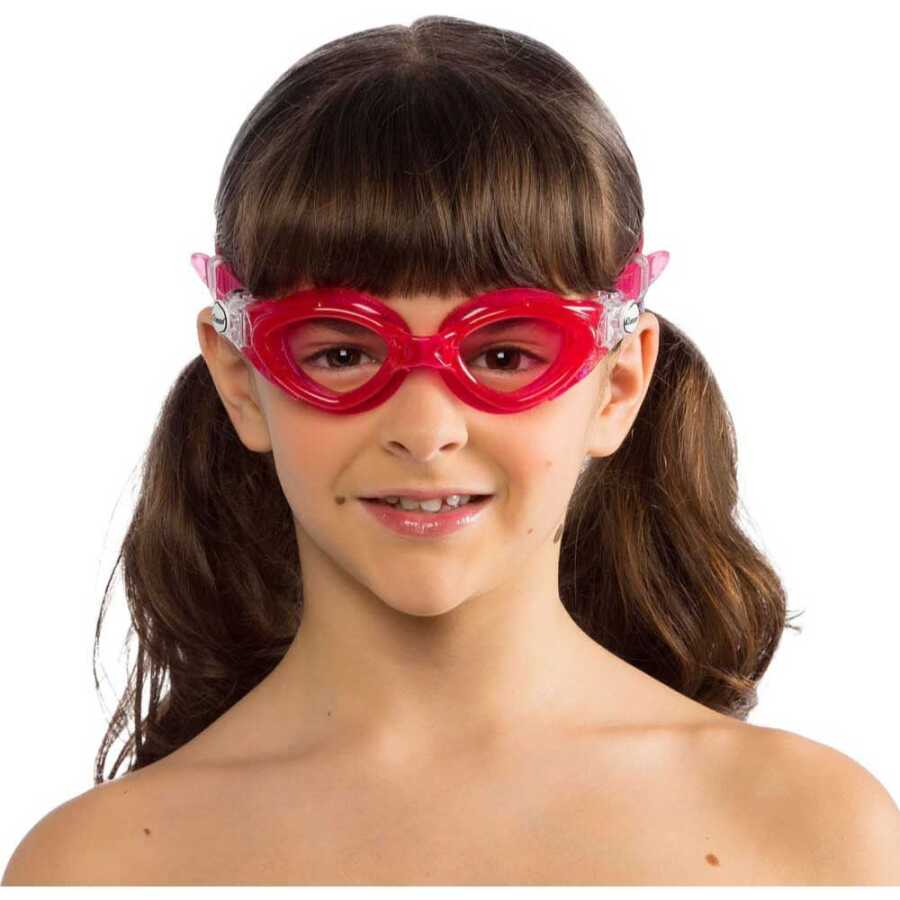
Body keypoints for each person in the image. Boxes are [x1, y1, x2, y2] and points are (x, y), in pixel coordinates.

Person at [4, 14, 900, 888]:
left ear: (618, 384)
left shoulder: (817, 835)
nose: (426, 430)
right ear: (242, 380)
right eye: (344, 353)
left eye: (504, 356)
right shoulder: (96, 869)